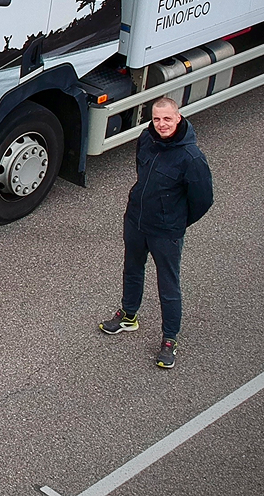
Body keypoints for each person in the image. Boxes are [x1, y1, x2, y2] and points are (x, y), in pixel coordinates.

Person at [99, 96, 215, 370]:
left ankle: (169, 339)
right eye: (156, 118)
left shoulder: (192, 158)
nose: (161, 124)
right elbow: (142, 170)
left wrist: (175, 222)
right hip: (137, 221)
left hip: (166, 232)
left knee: (168, 286)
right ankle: (128, 315)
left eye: (166, 118)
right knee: (132, 270)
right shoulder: (147, 139)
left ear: (178, 118)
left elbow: (203, 200)